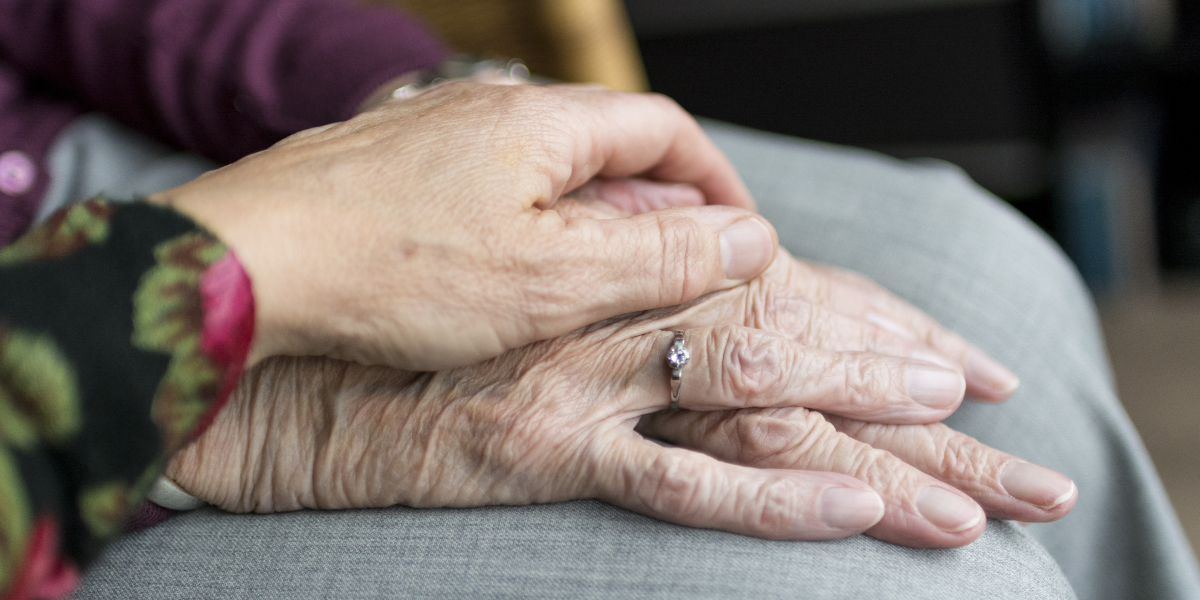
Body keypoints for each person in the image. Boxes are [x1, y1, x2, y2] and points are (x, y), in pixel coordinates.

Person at [0, 1, 1196, 600]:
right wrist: (234, 398)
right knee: (893, 579)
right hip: (47, 426)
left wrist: (422, 115)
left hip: (96, 151)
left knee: (992, 286)